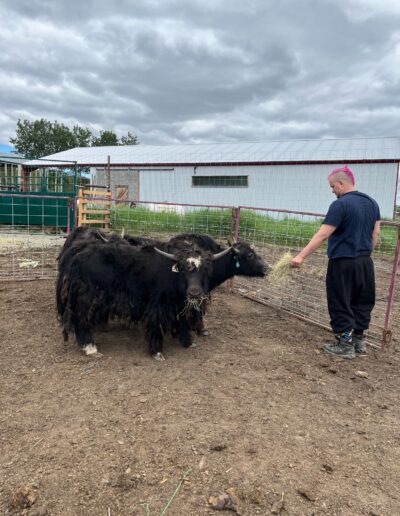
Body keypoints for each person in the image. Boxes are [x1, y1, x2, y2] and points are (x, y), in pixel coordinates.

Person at [291, 165, 380, 359]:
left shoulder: (340, 205)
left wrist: (301, 256)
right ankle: (359, 341)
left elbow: (323, 234)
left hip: (343, 262)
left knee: (341, 300)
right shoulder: (372, 203)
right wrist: (365, 253)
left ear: (341, 183)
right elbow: (376, 233)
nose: (332, 190)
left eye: (332, 186)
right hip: (365, 262)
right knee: (362, 301)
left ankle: (345, 345)